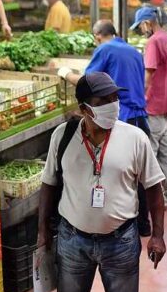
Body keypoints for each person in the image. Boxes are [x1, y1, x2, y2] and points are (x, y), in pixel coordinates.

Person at [37, 72, 167, 292]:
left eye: (114, 98)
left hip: (121, 240)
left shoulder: (134, 138)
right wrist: (42, 234)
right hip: (72, 240)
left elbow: (154, 190)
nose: (113, 106)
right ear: (84, 109)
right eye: (102, 102)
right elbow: (48, 185)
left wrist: (158, 235)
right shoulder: (63, 136)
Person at [57, 20, 152, 235]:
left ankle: (109, 223)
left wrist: (64, 73)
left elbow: (86, 82)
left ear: (98, 35)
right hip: (140, 116)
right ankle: (143, 225)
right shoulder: (133, 50)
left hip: (122, 117)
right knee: (140, 176)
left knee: (115, 175)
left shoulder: (105, 49)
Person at [131, 6, 167, 205]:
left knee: (151, 152)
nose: (141, 30)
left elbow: (149, 73)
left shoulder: (153, 41)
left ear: (147, 22)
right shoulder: (166, 37)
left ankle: (158, 199)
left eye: (141, 26)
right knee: (165, 149)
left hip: (153, 103)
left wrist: (141, 97)